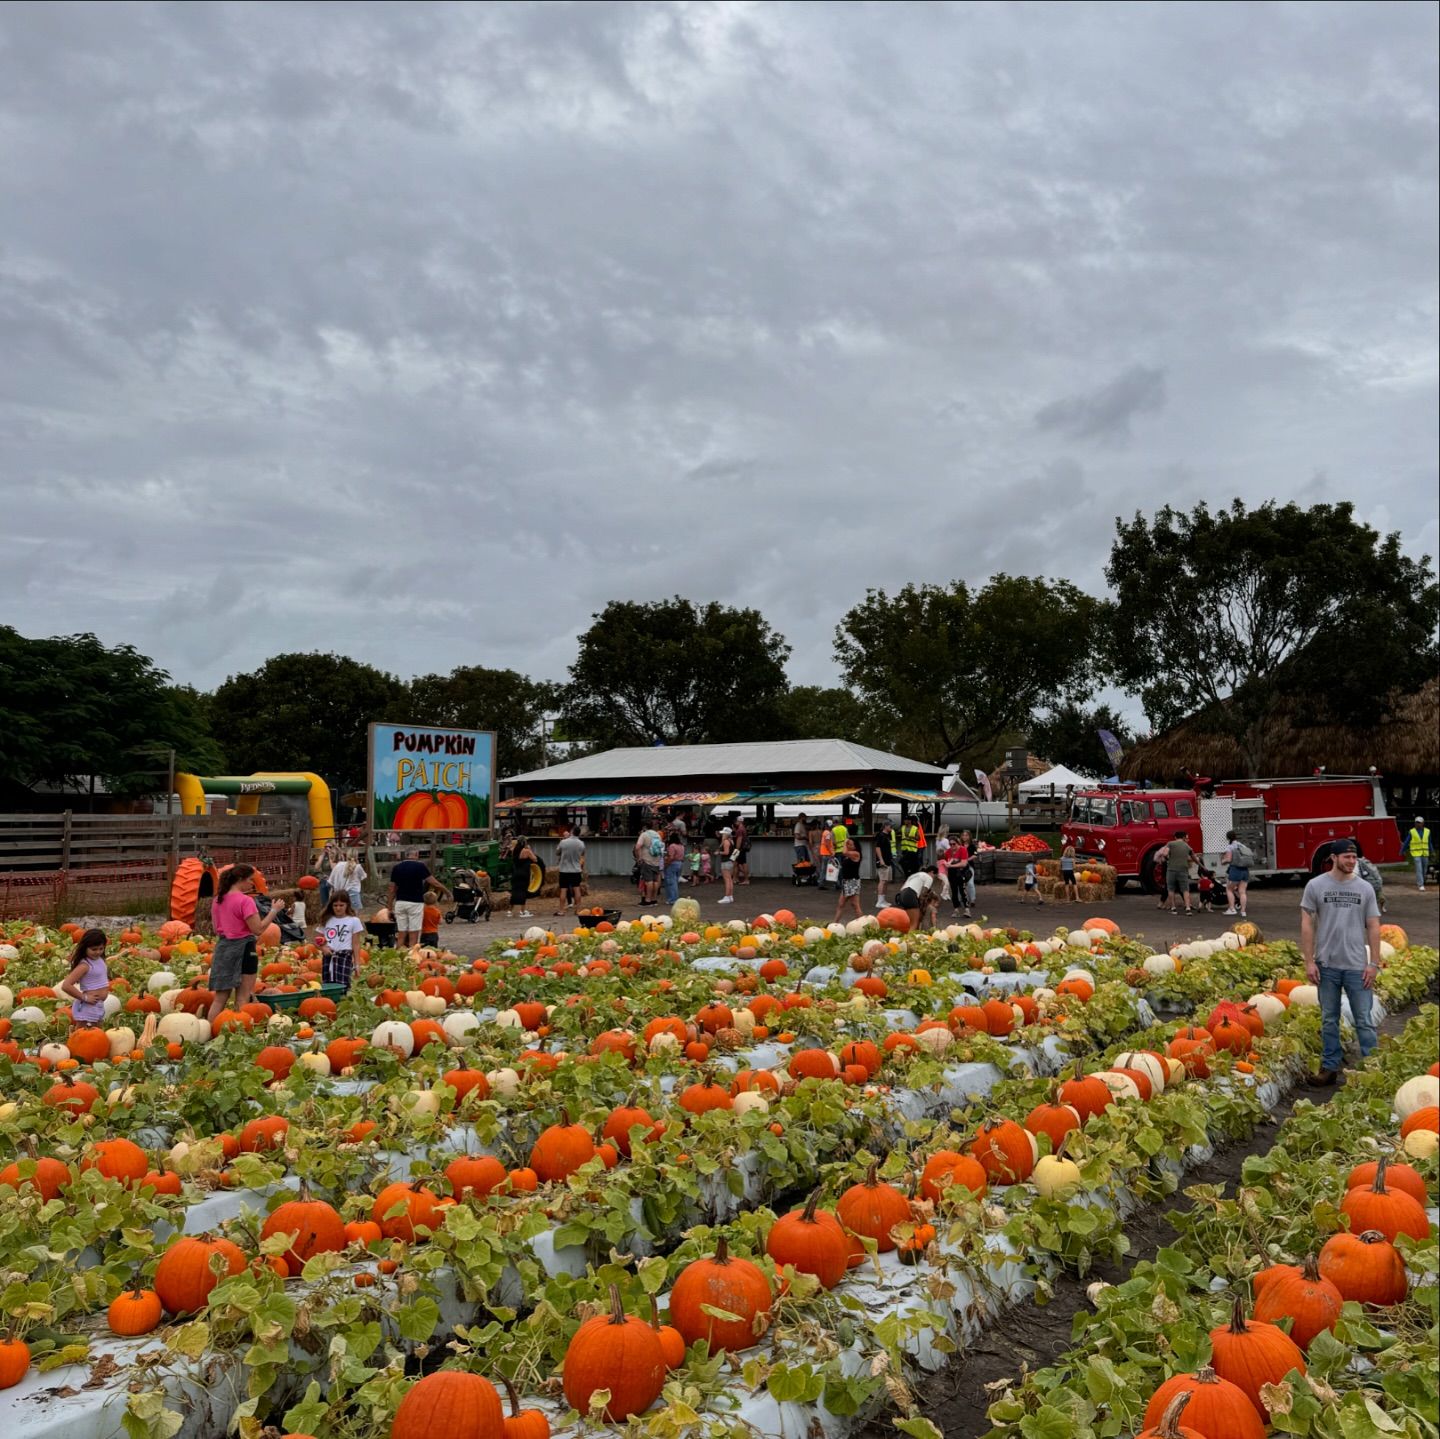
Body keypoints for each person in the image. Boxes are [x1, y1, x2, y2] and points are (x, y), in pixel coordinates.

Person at [1301, 839, 1382, 1086]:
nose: (1351, 861)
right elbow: (1307, 923)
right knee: (1328, 1018)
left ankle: (1372, 1069)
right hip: (1327, 965)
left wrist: (1374, 963)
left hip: (1357, 966)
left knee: (1364, 1020)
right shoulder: (1316, 885)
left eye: (1354, 857)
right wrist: (1309, 961)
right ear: (1333, 858)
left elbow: (1374, 925)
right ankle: (1329, 1067)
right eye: (1346, 857)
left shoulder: (1365, 888)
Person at [209, 864, 284, 1022]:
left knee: (219, 998)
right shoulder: (245, 901)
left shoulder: (217, 900)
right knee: (242, 997)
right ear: (240, 880)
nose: (252, 884)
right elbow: (258, 929)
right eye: (250, 880)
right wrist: (274, 910)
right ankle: (238, 1032)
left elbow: (216, 928)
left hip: (223, 948)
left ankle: (211, 1032)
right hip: (244, 949)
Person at [388, 850, 448, 946]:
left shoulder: (396, 868)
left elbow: (392, 889)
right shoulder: (420, 866)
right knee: (413, 933)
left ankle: (398, 955)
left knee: (401, 933)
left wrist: (389, 907)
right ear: (416, 855)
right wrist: (447, 892)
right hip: (415, 903)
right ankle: (412, 955)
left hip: (400, 902)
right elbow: (434, 882)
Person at [60, 928, 112, 1026]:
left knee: (97, 1035)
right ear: (85, 948)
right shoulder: (85, 965)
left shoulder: (99, 960)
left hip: (98, 1005)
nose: (98, 952)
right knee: (84, 1035)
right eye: (94, 949)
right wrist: (85, 997)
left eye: (101, 948)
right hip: (88, 1007)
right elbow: (66, 985)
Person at [317, 892, 365, 989]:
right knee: (328, 985)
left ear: (347, 905)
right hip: (328, 956)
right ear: (331, 906)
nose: (338, 908)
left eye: (341, 905)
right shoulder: (327, 920)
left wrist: (357, 964)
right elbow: (318, 940)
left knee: (343, 985)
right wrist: (323, 948)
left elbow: (356, 944)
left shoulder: (354, 920)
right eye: (335, 905)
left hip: (344, 956)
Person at [554, 826, 587, 916]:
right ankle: (578, 910)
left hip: (564, 869)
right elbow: (582, 854)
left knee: (563, 890)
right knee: (577, 889)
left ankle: (561, 910)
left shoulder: (563, 842)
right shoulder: (581, 843)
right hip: (576, 869)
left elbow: (557, 852)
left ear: (572, 831)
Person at [1161, 830, 1196, 915]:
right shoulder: (1187, 846)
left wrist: (1167, 859)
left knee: (1171, 888)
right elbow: (1194, 857)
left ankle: (1173, 908)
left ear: (1175, 837)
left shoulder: (1170, 843)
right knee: (1185, 889)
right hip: (1183, 869)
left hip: (1171, 869)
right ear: (1184, 837)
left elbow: (1165, 854)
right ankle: (1188, 908)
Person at [896, 864, 940, 928]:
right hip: (911, 894)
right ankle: (911, 937)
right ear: (932, 872)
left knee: (908, 921)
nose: (934, 878)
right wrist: (923, 906)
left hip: (902, 894)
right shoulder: (929, 877)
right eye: (935, 876)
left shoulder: (915, 875)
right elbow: (923, 893)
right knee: (914, 924)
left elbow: (902, 887)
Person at [1221, 830, 1254, 917]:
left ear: (1227, 837)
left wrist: (1222, 861)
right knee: (1242, 891)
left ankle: (1232, 909)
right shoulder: (1241, 845)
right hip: (1245, 871)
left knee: (1229, 889)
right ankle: (1243, 911)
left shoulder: (1230, 847)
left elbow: (1228, 859)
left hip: (1235, 870)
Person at [504, 835, 538, 919]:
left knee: (515, 891)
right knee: (523, 892)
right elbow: (535, 859)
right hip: (524, 873)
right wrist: (529, 849)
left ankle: (510, 911)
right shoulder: (526, 851)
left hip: (516, 872)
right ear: (524, 842)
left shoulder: (515, 850)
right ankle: (522, 911)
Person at [833, 833, 864, 922]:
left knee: (853, 905)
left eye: (850, 844)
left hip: (852, 882)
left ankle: (862, 924)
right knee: (843, 904)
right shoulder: (849, 856)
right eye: (848, 844)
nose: (848, 845)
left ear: (855, 846)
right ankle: (835, 923)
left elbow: (844, 852)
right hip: (847, 881)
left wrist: (845, 842)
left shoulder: (856, 854)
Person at [634, 823, 663, 906]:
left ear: (645, 827)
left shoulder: (644, 835)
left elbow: (637, 846)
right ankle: (654, 899)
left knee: (648, 881)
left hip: (647, 860)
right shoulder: (657, 835)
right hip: (656, 860)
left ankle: (647, 900)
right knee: (655, 881)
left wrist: (639, 857)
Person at [873, 820, 894, 907]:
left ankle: (883, 900)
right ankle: (879, 901)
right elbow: (877, 848)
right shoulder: (880, 835)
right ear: (885, 826)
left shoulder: (887, 835)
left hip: (888, 861)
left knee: (885, 881)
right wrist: (881, 860)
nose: (891, 828)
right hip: (883, 862)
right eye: (890, 826)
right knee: (882, 880)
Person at [1408, 815, 1432, 890]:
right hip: (1416, 853)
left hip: (1425, 853)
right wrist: (1401, 851)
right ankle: (1420, 884)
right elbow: (1407, 841)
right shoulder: (1412, 831)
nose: (1418, 824)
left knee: (1424, 869)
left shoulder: (1427, 831)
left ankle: (1423, 880)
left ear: (1423, 823)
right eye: (1417, 822)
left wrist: (1432, 851)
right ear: (1415, 823)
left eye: (1419, 822)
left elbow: (1429, 842)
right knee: (1419, 869)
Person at [663, 828, 685, 905]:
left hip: (673, 863)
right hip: (679, 863)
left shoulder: (672, 846)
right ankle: (675, 897)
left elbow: (671, 857)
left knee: (670, 882)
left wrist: (666, 864)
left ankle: (672, 899)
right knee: (675, 881)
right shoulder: (681, 846)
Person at [717, 827, 737, 903]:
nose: (722, 835)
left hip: (725, 862)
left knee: (727, 880)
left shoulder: (725, 842)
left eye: (723, 833)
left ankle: (727, 896)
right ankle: (730, 896)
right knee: (730, 879)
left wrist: (718, 852)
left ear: (726, 834)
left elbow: (726, 852)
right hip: (730, 862)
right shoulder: (731, 841)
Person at [818, 824, 836, 891]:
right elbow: (827, 843)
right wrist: (832, 852)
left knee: (824, 869)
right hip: (827, 854)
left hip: (824, 853)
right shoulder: (828, 833)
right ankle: (835, 884)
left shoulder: (824, 832)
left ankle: (821, 883)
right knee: (833, 869)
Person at [735, 817, 751, 886]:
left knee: (740, 864)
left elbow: (739, 840)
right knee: (739, 863)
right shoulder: (743, 828)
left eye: (736, 821)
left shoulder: (739, 830)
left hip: (740, 849)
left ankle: (746, 879)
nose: (735, 822)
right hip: (743, 849)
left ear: (739, 821)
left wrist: (737, 849)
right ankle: (738, 878)